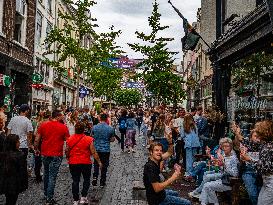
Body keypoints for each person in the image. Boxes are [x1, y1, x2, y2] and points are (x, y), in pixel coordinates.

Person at [34, 110, 70, 205]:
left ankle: (46, 194)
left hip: (45, 153)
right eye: (62, 116)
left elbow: (37, 139)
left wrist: (36, 149)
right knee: (52, 176)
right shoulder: (63, 127)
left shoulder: (43, 125)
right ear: (57, 117)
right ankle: (49, 199)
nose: (63, 117)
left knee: (46, 173)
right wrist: (67, 152)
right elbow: (68, 143)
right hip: (56, 154)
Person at [143, 139, 191, 205]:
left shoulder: (156, 159)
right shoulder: (150, 167)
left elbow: (169, 152)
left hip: (159, 194)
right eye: (156, 150)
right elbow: (157, 188)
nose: (159, 152)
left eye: (160, 151)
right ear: (151, 152)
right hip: (157, 200)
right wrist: (173, 178)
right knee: (187, 203)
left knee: (175, 193)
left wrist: (170, 142)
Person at [67, 121, 102, 205]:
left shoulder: (70, 139)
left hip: (73, 162)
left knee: (75, 180)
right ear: (84, 130)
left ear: (75, 129)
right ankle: (83, 197)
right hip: (85, 162)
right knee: (86, 180)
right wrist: (99, 162)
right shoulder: (89, 139)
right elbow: (93, 152)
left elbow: (67, 151)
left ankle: (75, 200)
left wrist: (68, 158)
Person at [240, 120, 273, 205]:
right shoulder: (266, 144)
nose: (256, 130)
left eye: (258, 128)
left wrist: (249, 160)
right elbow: (252, 144)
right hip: (267, 181)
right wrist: (238, 135)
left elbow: (265, 168)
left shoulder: (269, 147)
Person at [199, 138, 239, 205]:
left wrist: (224, 164)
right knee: (206, 185)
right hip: (223, 179)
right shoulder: (225, 156)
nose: (224, 148)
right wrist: (218, 163)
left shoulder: (233, 158)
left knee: (207, 185)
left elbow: (235, 174)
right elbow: (221, 169)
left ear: (231, 147)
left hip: (229, 182)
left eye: (227, 146)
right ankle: (208, 202)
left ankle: (212, 202)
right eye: (223, 146)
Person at [0, 134, 28, 205]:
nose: (19, 143)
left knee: (8, 199)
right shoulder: (20, 155)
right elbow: (23, 172)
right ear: (13, 144)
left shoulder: (3, 154)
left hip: (4, 182)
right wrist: (24, 184)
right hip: (14, 183)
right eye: (18, 141)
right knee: (12, 201)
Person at [91, 113, 115, 187]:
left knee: (96, 164)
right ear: (107, 119)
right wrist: (107, 139)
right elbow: (112, 139)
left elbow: (92, 137)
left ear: (100, 118)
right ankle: (102, 181)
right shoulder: (110, 128)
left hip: (96, 148)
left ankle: (95, 177)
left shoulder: (94, 127)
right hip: (105, 149)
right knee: (104, 165)